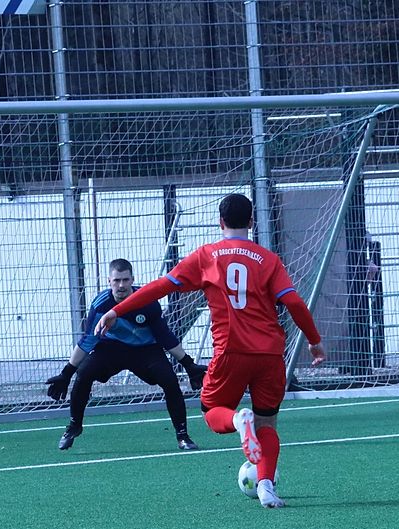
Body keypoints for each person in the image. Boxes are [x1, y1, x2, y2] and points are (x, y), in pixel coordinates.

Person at [95, 194, 326, 508]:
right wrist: (313, 340)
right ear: (251, 222)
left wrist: (116, 310)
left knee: (212, 411)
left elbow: (160, 287)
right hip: (270, 354)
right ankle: (266, 487)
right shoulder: (268, 259)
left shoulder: (207, 256)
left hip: (230, 351)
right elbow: (294, 303)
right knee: (268, 422)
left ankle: (238, 421)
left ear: (220, 223)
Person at [46, 258, 207, 452]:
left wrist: (189, 364)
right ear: (109, 281)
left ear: (132, 280)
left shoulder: (148, 302)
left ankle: (182, 436)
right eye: (116, 280)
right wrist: (66, 373)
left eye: (125, 280)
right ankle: (74, 426)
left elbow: (165, 337)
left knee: (170, 380)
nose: (121, 285)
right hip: (111, 348)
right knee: (84, 373)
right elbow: (88, 340)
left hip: (145, 350)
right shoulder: (101, 305)